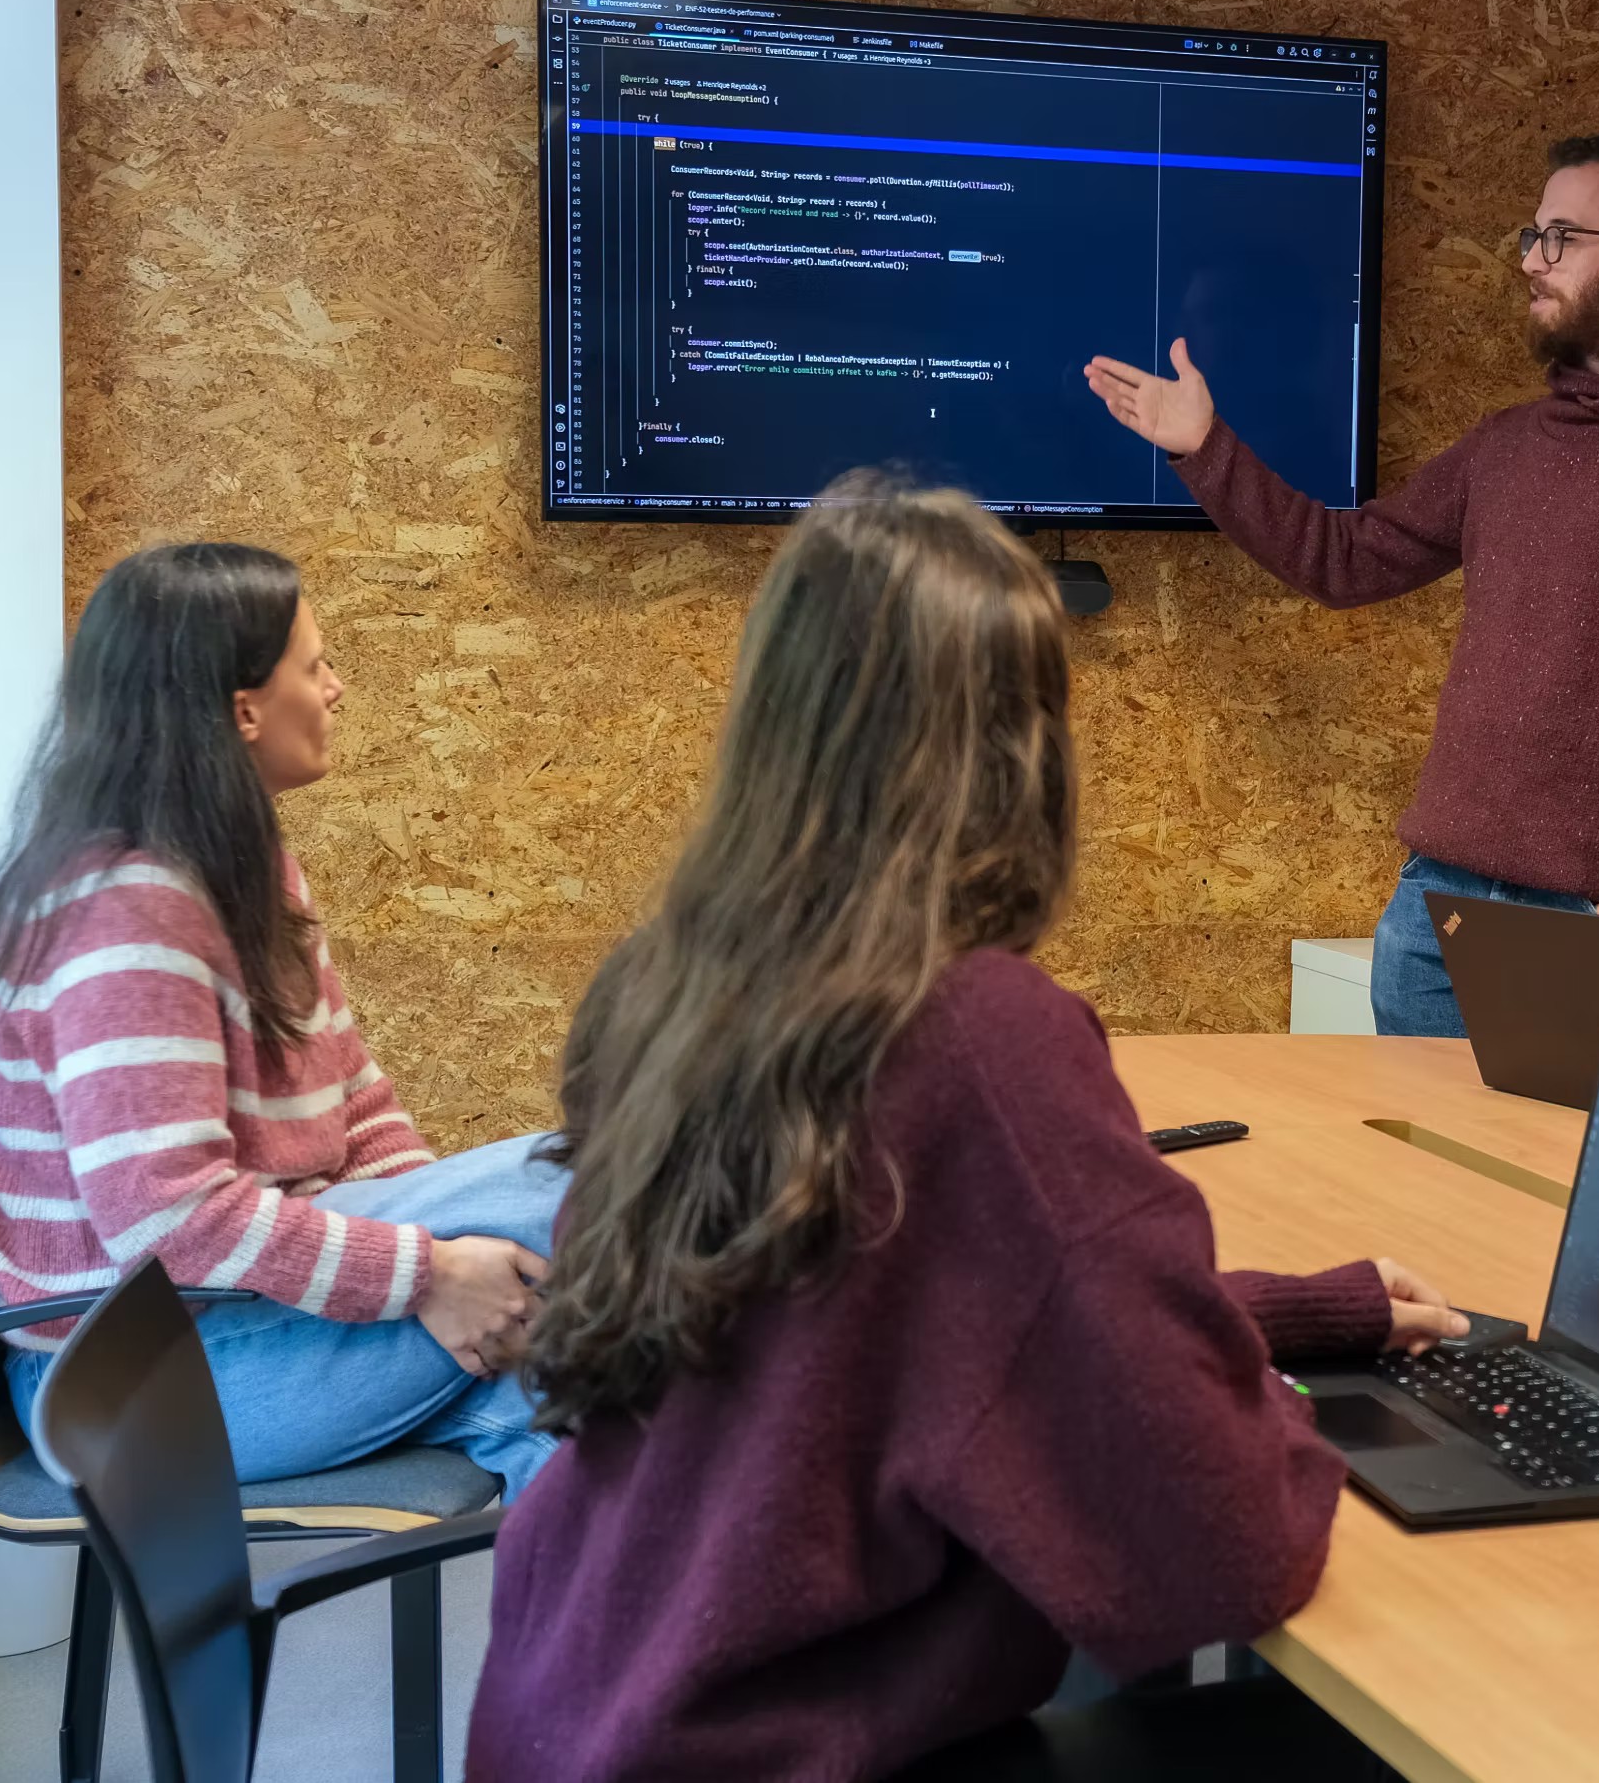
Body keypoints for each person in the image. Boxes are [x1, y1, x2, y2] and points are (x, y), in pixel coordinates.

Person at [470, 479, 1463, 1782]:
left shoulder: (677, 983)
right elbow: (1224, 1544)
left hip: (582, 1716)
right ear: (1022, 751)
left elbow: (890, 1323)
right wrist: (1266, 1410)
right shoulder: (978, 1033)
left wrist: (1287, 1313)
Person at [1085, 124, 1599, 1034]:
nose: (1531, 262)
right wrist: (1205, 448)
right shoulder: (1505, 447)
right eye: (1530, 236)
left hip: (1591, 922)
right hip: (1435, 910)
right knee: (1410, 1178)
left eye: (1560, 238)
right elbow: (1341, 563)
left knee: (1542, 1180)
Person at [0, 543, 565, 1498]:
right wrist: (429, 1274)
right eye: (315, 665)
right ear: (242, 709)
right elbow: (171, 1219)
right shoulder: (128, 908)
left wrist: (461, 1270)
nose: (338, 688)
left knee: (592, 1410)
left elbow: (357, 1103)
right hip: (130, 1385)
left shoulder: (243, 866)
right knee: (590, 1190)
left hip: (244, 1326)